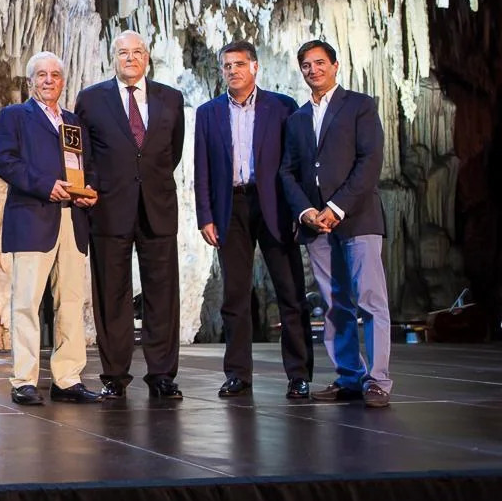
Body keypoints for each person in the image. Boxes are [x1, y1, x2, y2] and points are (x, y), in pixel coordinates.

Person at [193, 41, 313, 399]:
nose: (233, 71)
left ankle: (299, 374)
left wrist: (299, 209)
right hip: (232, 206)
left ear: (255, 67)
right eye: (227, 65)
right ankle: (238, 374)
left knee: (290, 291)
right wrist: (205, 216)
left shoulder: (282, 107)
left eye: (239, 64)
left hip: (274, 203)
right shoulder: (208, 112)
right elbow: (202, 169)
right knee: (234, 295)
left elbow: (297, 163)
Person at [74, 30, 185, 399]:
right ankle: (115, 377)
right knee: (111, 295)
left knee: (162, 294)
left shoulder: (171, 98)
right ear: (113, 58)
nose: (131, 58)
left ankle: (162, 375)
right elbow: (84, 155)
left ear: (147, 57)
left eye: (137, 52)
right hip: (108, 209)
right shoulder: (90, 100)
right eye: (123, 53)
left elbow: (173, 151)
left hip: (157, 208)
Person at [280, 40, 391, 408]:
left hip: (357, 218)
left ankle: (378, 380)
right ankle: (349, 376)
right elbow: (288, 171)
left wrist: (336, 206)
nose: (314, 70)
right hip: (317, 226)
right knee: (334, 304)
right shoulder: (296, 118)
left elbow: (369, 161)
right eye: (307, 65)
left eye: (320, 63)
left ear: (335, 65)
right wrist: (305, 211)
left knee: (371, 302)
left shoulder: (359, 105)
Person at [0, 52, 103, 406]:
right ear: (30, 82)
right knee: (26, 302)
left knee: (70, 301)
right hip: (34, 216)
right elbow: (3, 160)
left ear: (63, 81)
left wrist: (91, 190)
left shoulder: (73, 122)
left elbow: (89, 166)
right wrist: (44, 184)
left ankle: (67, 378)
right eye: (41, 75)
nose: (49, 80)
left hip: (73, 219)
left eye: (55, 74)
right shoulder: (14, 116)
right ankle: (24, 379)